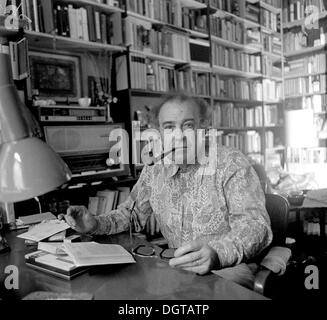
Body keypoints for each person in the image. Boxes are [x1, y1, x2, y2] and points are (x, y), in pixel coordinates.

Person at [60, 93, 272, 282]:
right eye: (169, 127)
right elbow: (131, 215)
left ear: (203, 128)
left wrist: (217, 253)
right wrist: (94, 223)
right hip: (176, 268)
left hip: (225, 269)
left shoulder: (231, 163)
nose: (179, 136)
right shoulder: (154, 168)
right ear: (159, 132)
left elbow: (256, 227)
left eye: (188, 125)